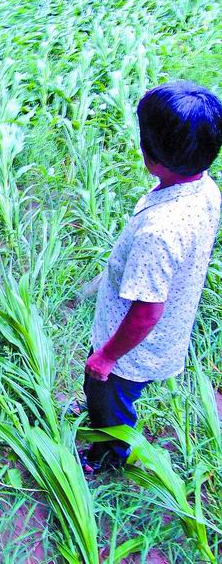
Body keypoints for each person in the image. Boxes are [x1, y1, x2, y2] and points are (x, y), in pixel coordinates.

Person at [81, 80, 222, 473]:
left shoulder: (158, 232)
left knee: (108, 395)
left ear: (151, 156)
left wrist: (106, 358)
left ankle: (106, 455)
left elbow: (146, 312)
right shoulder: (206, 188)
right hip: (166, 337)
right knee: (111, 394)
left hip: (130, 351)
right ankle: (102, 408)